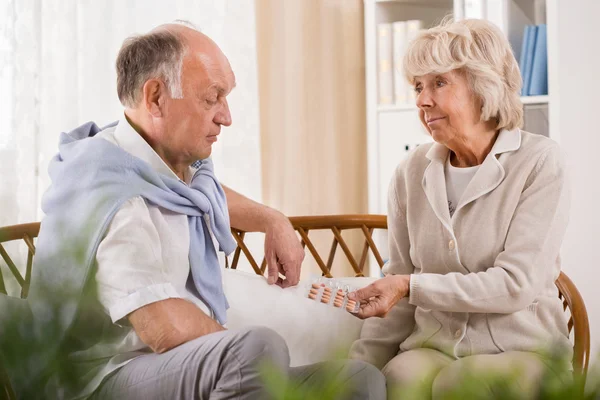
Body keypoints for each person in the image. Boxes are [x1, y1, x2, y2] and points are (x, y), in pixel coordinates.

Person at [29, 22, 385, 399]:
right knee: (258, 350)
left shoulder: (155, 166)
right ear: (156, 98)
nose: (226, 117)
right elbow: (161, 328)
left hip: (182, 367)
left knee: (358, 380)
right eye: (212, 98)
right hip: (103, 378)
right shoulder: (113, 197)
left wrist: (271, 220)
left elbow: (199, 194)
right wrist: (252, 363)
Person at [348, 18, 572, 399]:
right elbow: (399, 284)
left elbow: (515, 284)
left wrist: (409, 286)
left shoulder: (539, 161)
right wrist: (353, 370)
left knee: (459, 384)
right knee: (398, 376)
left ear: (483, 86)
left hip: (523, 349)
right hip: (434, 347)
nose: (421, 99)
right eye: (418, 87)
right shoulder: (410, 172)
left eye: (438, 82)